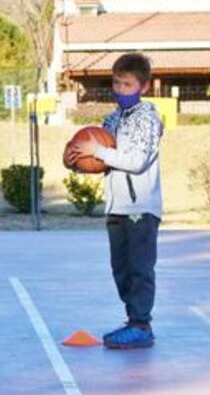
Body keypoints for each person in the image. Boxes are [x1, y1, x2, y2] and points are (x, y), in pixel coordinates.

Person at [67, 52, 163, 350]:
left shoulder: (148, 118)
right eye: (117, 83)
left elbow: (136, 161)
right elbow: (100, 159)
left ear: (143, 87)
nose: (121, 89)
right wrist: (75, 159)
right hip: (117, 205)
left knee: (139, 268)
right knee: (120, 269)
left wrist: (98, 151)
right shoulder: (112, 119)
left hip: (140, 206)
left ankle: (141, 324)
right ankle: (133, 319)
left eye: (127, 84)